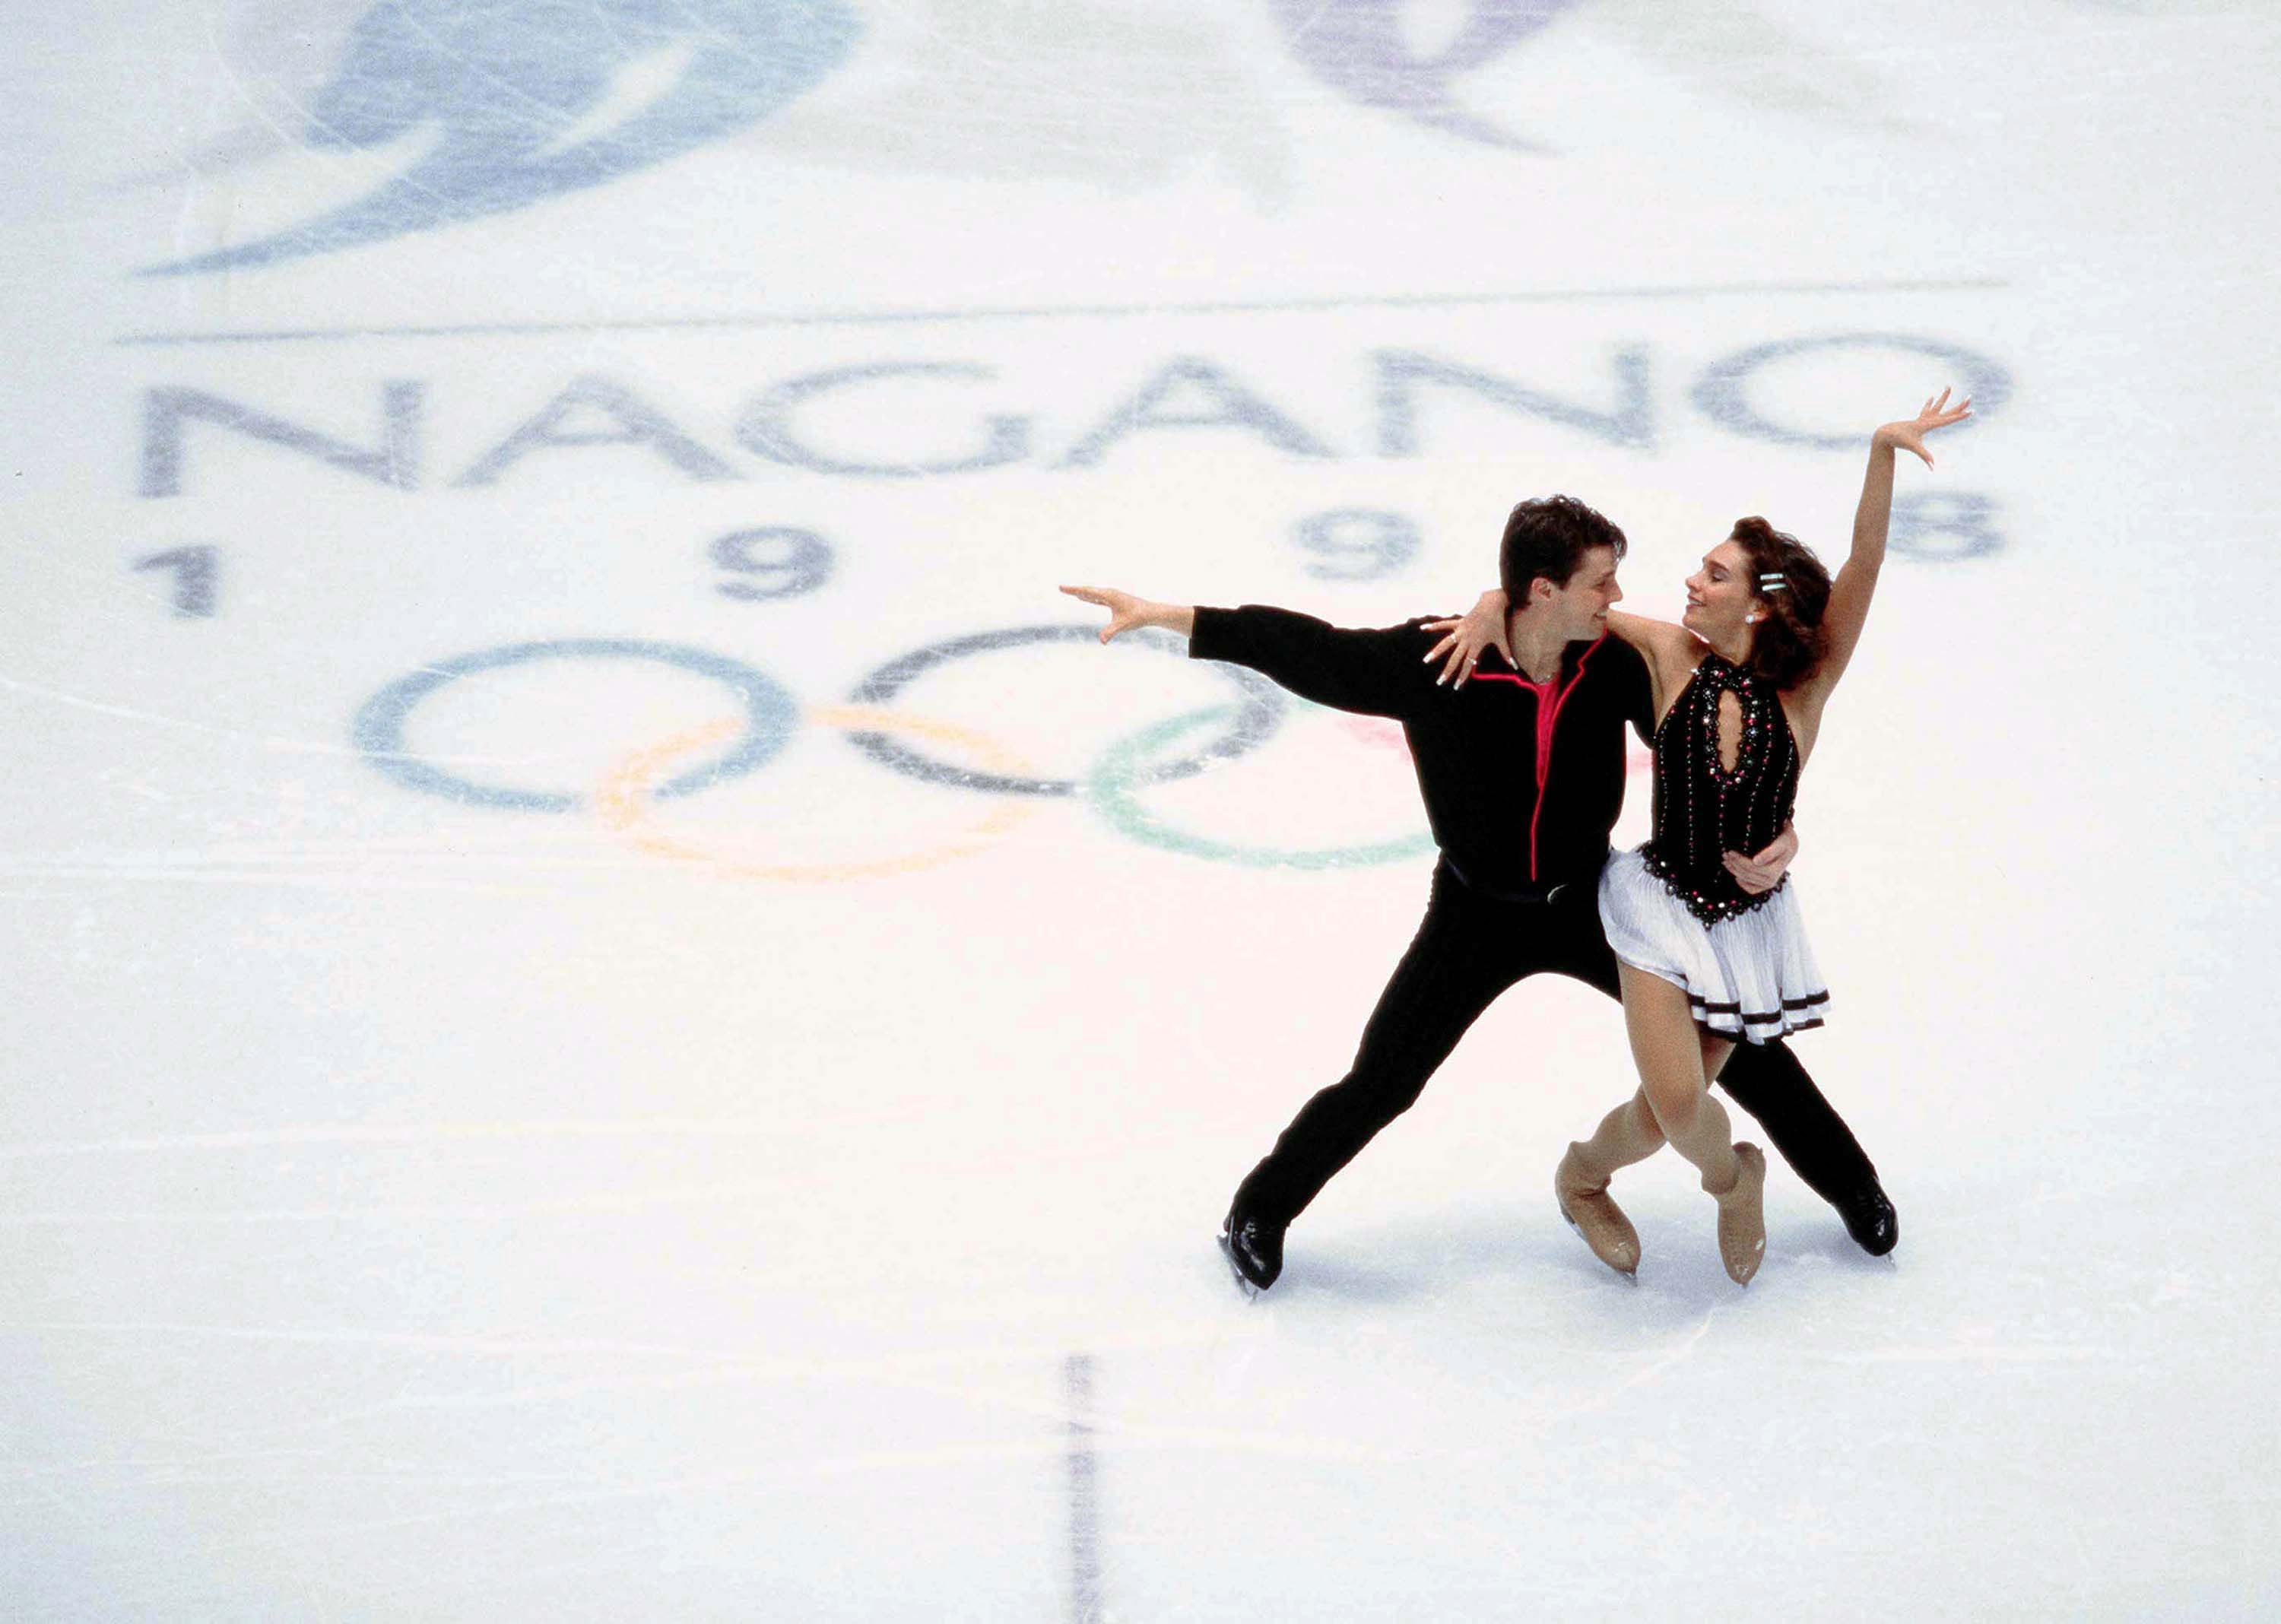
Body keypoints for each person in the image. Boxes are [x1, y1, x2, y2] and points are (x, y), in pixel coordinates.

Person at [1058, 493, 1896, 1297]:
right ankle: (1260, 1211)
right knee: (1384, 1078)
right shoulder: (1442, 661)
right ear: (1544, 591)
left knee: (1742, 1044)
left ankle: (1853, 1186)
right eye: (1602, 581)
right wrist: (1177, 619)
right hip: (1474, 913)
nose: (1619, 596)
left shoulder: (1611, 664)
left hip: (1592, 903)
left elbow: (1723, 758)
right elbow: (1313, 649)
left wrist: (1782, 840)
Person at [1431, 392, 1970, 1284]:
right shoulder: (1667, 655)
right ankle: (1728, 1179)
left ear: (1758, 605)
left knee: (1663, 1116)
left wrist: (1879, 453)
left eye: (1714, 575)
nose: (1690, 583)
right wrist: (1492, 598)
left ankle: (1587, 1175)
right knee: (1684, 1103)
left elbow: (1866, 560)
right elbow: (1557, 602)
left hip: (1742, 927)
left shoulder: (1804, 694)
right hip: (1654, 910)